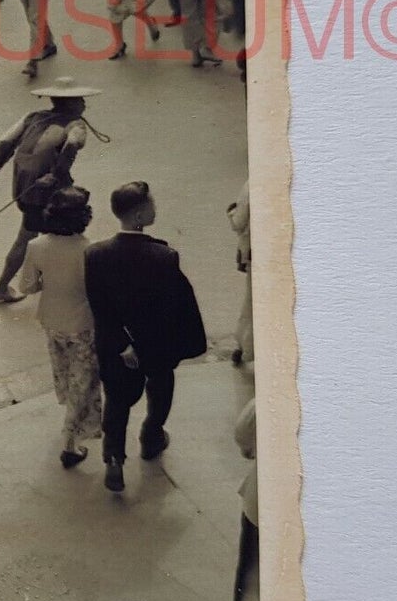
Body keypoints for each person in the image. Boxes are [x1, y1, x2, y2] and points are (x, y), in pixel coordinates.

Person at [84, 181, 207, 492]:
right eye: (151, 205)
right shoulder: (164, 256)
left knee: (117, 401)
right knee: (161, 386)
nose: (156, 209)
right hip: (155, 344)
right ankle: (151, 436)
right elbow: (172, 308)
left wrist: (121, 343)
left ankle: (114, 459)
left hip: (117, 347)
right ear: (139, 215)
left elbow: (99, 307)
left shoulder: (95, 255)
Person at [0, 75, 100, 303]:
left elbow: (5, 142)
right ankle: (2, 286)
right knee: (53, 234)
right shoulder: (76, 125)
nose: (84, 104)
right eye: (80, 100)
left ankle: (41, 275)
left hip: (24, 186)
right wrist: (55, 176)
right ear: (70, 103)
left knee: (40, 232)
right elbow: (72, 145)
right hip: (47, 188)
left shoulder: (31, 117)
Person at [17, 187, 103, 469]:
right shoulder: (91, 250)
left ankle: (70, 420)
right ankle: (69, 438)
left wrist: (47, 281)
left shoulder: (37, 246)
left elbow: (26, 286)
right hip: (83, 323)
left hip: (51, 320)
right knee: (84, 380)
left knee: (64, 373)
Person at [232, 396, 258, 601]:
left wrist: (251, 449)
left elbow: (243, 432)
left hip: (261, 504)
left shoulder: (265, 403)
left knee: (251, 562)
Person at [227, 181, 254, 365]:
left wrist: (231, 213)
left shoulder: (251, 185)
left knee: (252, 301)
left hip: (256, 252)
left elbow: (238, 222)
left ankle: (246, 349)